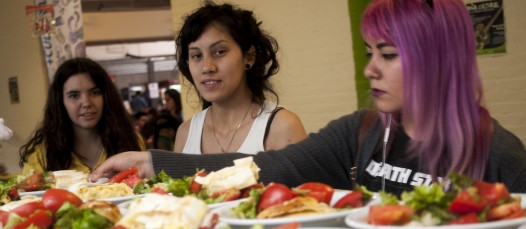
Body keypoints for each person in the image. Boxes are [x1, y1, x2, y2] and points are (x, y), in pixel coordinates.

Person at [92, 0, 526, 195]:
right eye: (370, 52)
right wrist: (151, 162)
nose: (370, 69)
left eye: (389, 55)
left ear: (440, 60)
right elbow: (261, 167)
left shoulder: (501, 154)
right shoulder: (360, 131)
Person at [172, 1, 307, 154]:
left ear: (249, 56)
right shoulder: (185, 133)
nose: (207, 67)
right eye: (196, 55)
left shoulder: (282, 127)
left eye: (220, 52)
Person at [20, 57, 145, 174]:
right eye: (74, 95)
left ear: (106, 97)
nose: (86, 103)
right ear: (60, 102)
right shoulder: (41, 155)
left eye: (94, 92)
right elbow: (28, 196)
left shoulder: (130, 141)